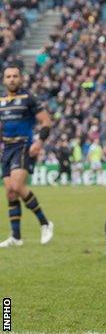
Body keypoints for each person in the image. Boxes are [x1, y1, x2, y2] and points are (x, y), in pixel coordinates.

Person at [0, 65, 54, 247]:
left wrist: (39, 143)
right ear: (4, 80)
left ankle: (45, 223)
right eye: (8, 77)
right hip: (6, 149)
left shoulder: (29, 98)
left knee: (17, 185)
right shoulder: (1, 100)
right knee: (10, 192)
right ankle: (16, 237)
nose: (12, 79)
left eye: (15, 76)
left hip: (24, 146)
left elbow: (46, 122)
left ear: (21, 79)